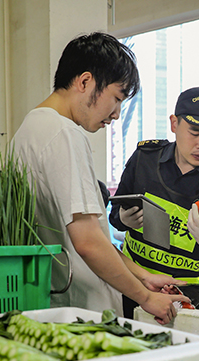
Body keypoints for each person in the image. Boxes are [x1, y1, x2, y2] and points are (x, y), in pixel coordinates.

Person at [12, 32, 188, 324]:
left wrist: (144, 276)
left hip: (53, 305)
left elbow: (91, 235)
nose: (117, 114)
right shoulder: (64, 134)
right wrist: (146, 299)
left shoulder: (28, 130)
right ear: (85, 82)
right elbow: (88, 242)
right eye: (116, 99)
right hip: (80, 311)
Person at [110, 86, 199, 317]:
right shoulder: (144, 159)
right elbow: (116, 212)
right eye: (194, 132)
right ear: (174, 124)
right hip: (133, 287)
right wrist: (123, 219)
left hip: (187, 300)